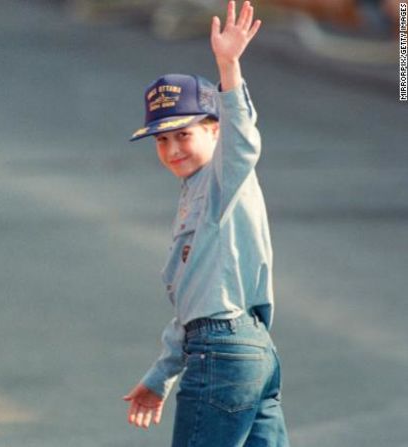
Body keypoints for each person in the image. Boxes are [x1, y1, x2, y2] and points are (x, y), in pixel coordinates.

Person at [122, 2, 289, 446]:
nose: (173, 148)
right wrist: (162, 374)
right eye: (162, 139)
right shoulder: (195, 192)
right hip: (247, 351)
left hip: (226, 353)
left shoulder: (222, 179)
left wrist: (229, 67)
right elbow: (194, 301)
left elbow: (242, 141)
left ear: (214, 129)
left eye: (184, 133)